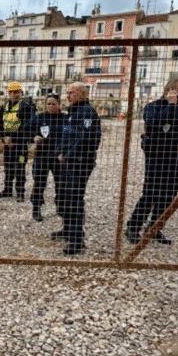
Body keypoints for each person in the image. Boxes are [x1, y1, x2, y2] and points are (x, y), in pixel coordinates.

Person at [125, 80, 178, 246]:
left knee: (168, 196)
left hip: (174, 158)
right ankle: (133, 227)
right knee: (151, 193)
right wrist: (171, 106)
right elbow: (153, 125)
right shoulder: (152, 107)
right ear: (170, 91)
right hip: (156, 157)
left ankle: (154, 228)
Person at [54, 84, 102, 255]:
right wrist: (60, 151)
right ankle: (68, 230)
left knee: (74, 199)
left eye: (71, 93)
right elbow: (65, 136)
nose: (68, 96)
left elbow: (85, 139)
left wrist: (68, 155)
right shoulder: (73, 112)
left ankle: (77, 240)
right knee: (64, 196)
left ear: (82, 94)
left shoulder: (87, 112)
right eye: (67, 93)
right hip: (67, 161)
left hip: (80, 163)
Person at [24, 93, 69, 223]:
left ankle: (61, 207)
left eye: (53, 103)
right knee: (39, 183)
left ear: (59, 104)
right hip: (42, 156)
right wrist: (33, 137)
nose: (50, 106)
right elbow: (26, 130)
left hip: (58, 157)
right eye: (48, 103)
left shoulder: (65, 119)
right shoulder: (40, 117)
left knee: (60, 184)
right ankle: (36, 209)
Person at [0, 81, 36, 202]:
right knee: (8, 167)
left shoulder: (25, 107)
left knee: (20, 167)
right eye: (13, 92)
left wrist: (14, 140)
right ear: (9, 93)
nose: (15, 95)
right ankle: (7, 189)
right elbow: (0, 125)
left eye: (17, 92)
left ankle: (20, 192)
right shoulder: (4, 108)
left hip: (20, 146)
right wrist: (4, 138)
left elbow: (27, 127)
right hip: (8, 146)